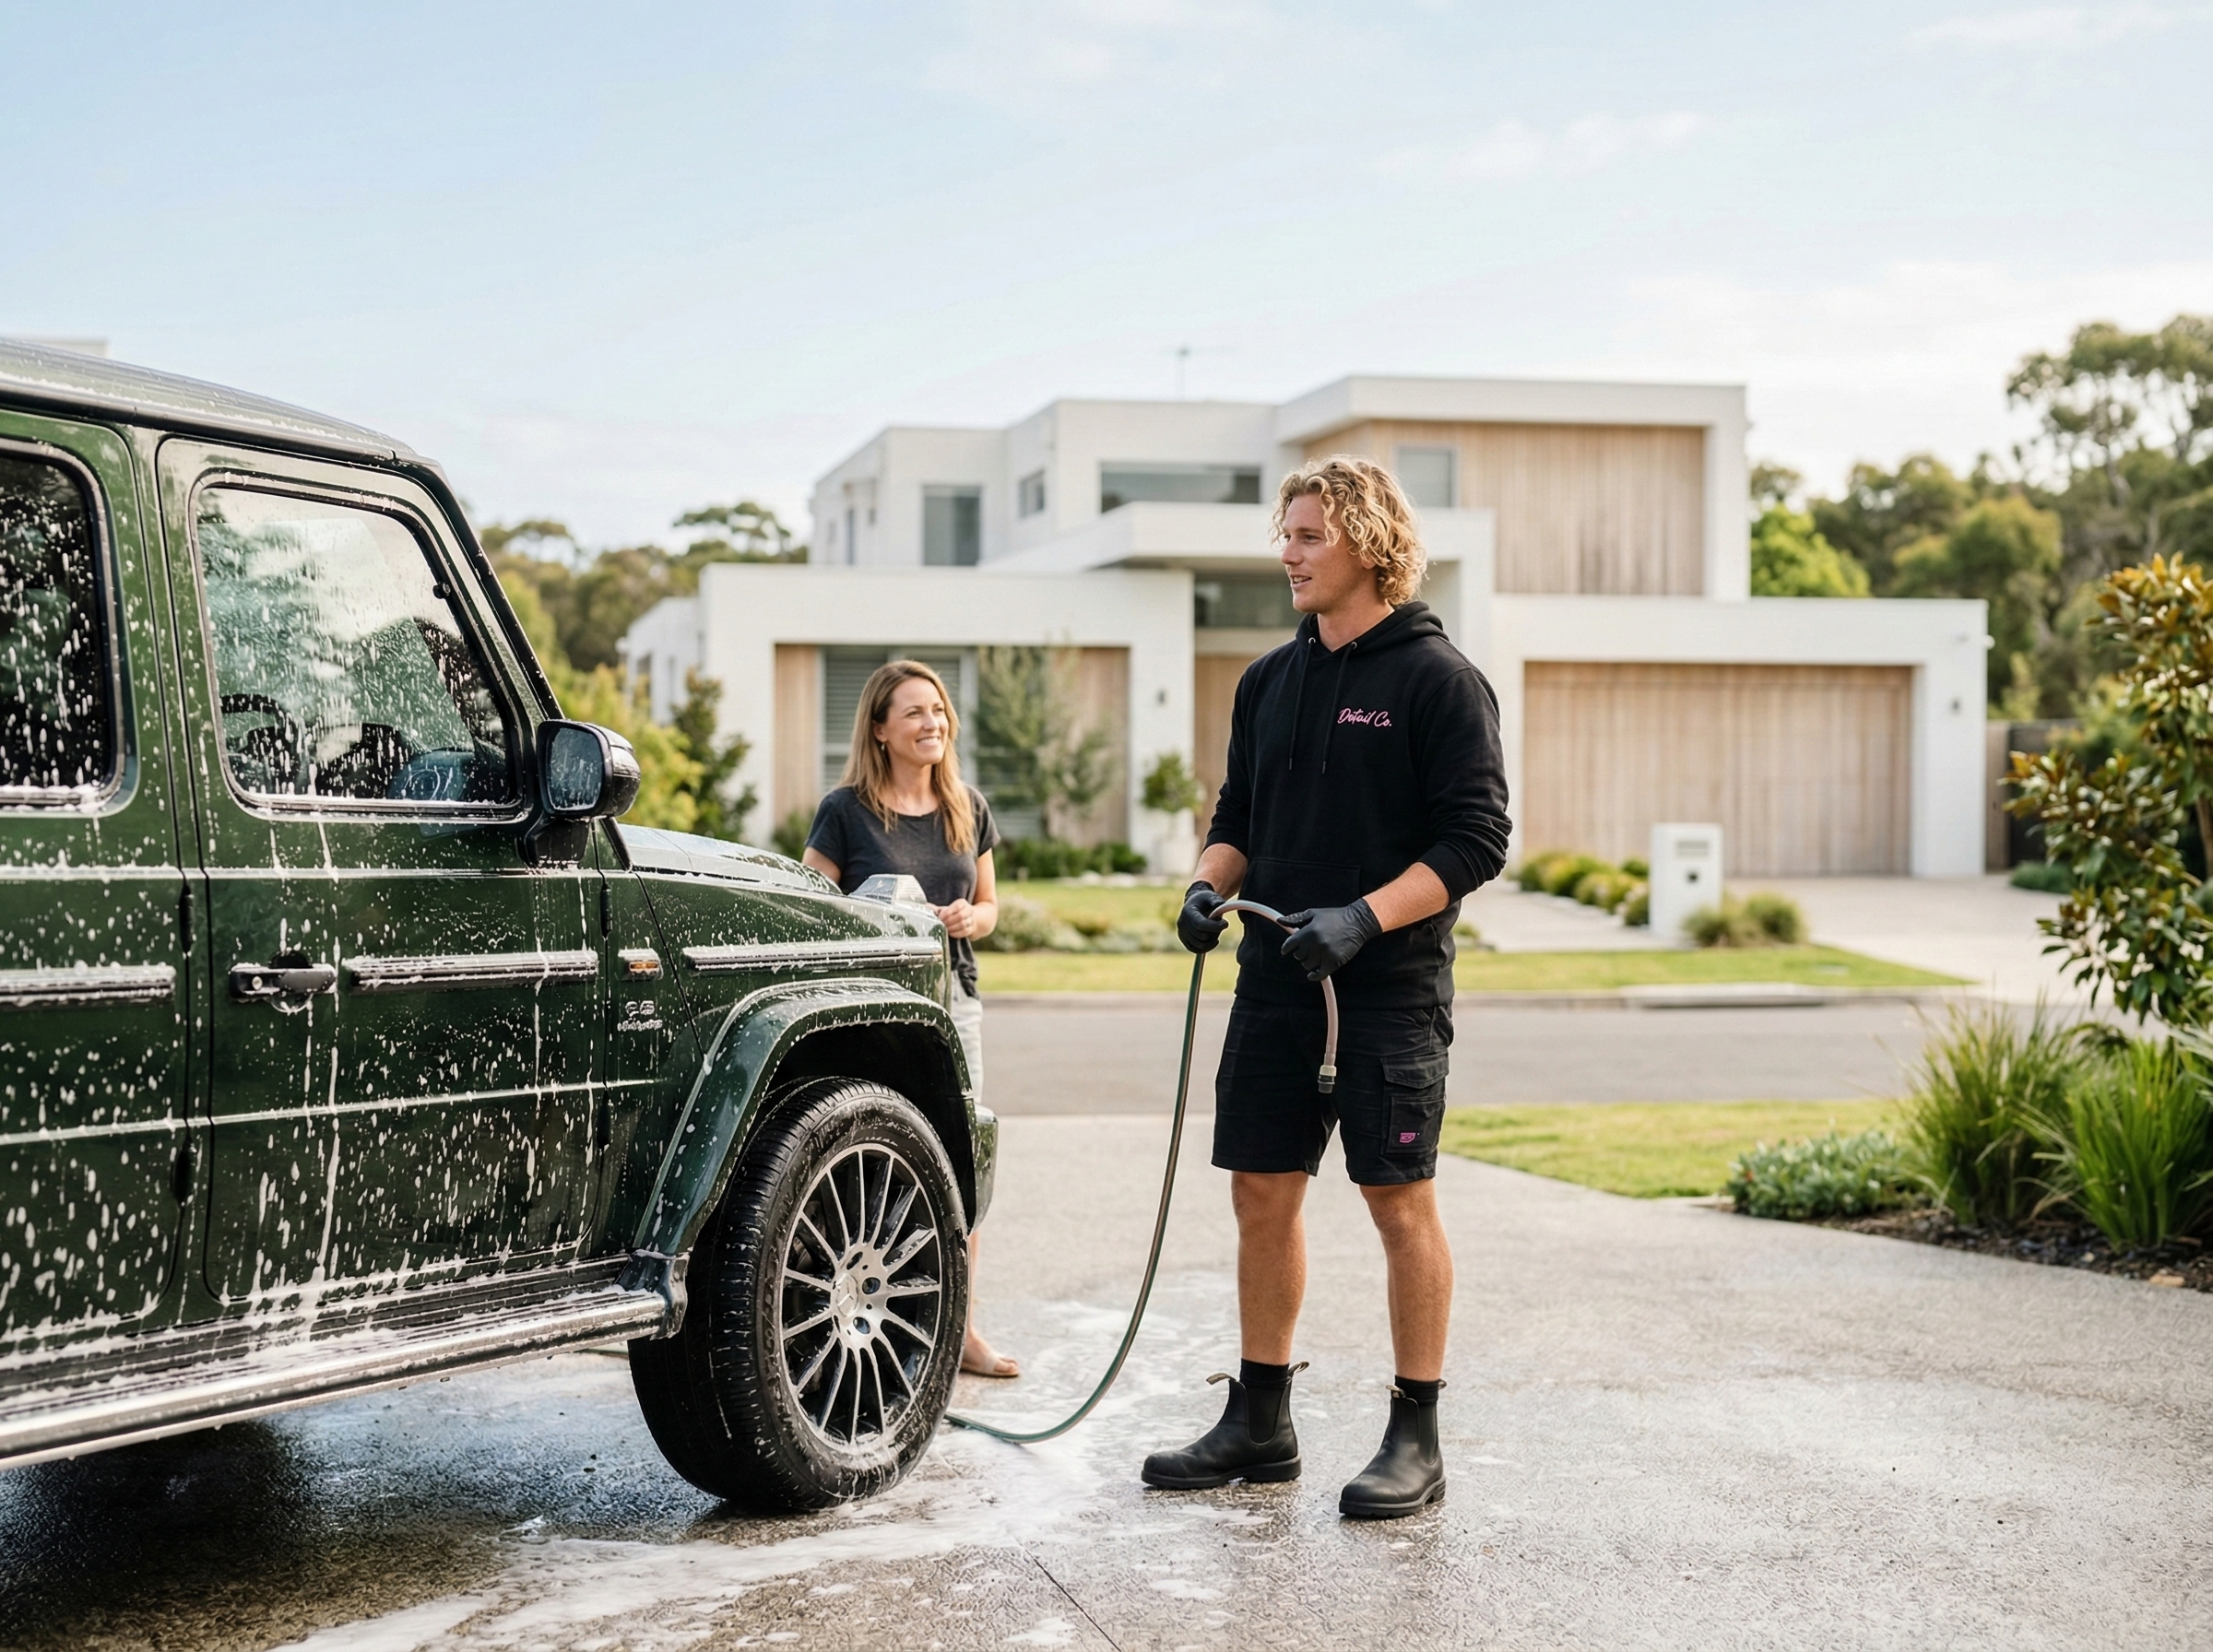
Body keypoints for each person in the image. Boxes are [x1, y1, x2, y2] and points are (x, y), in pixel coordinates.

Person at [1140, 455, 1510, 1518]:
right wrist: (1208, 889)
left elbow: (1477, 839)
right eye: (1286, 534)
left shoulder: (1439, 681)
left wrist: (1361, 918)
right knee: (1260, 1190)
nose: (1288, 554)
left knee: (1399, 1204)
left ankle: (1416, 1432)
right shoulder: (1270, 680)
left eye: (1308, 536)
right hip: (1275, 982)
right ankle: (1261, 1422)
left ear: (1367, 544)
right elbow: (1238, 817)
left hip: (1387, 992)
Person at [802, 658, 1020, 1380]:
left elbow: (990, 907)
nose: (934, 723)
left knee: (961, 1163)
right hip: (874, 1013)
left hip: (954, 1004)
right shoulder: (845, 811)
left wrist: (969, 916)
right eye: (915, 713)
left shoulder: (968, 806)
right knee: (873, 1161)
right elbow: (811, 910)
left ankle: (958, 1328)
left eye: (939, 710)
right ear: (880, 729)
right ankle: (859, 1312)